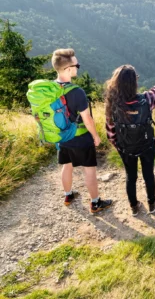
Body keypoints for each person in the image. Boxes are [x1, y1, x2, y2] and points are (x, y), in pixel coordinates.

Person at [105, 65, 155, 216]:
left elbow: (110, 132)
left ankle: (134, 206)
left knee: (131, 176)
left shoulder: (112, 104)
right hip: (147, 145)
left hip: (125, 149)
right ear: (134, 83)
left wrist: (120, 146)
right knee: (148, 173)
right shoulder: (146, 100)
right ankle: (152, 203)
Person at [52, 48, 112, 213]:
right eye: (76, 65)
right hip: (80, 137)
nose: (78, 67)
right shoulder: (77, 92)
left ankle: (68, 195)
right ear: (68, 69)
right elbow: (87, 119)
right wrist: (95, 136)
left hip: (62, 136)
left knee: (67, 165)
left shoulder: (50, 89)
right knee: (89, 169)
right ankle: (95, 203)